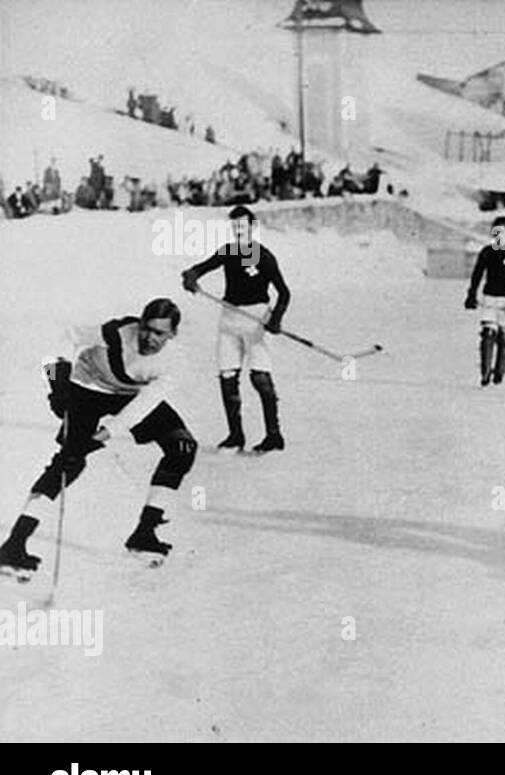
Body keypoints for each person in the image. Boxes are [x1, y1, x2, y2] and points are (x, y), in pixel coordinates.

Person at [0, 298, 197, 580]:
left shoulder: (174, 362)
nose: (149, 338)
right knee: (70, 463)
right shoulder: (115, 332)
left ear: (172, 334)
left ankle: (144, 533)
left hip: (128, 396)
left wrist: (108, 433)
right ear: (139, 324)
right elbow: (64, 339)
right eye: (146, 329)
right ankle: (13, 545)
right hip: (86, 388)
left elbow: (145, 404)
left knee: (182, 447)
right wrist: (57, 386)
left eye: (159, 333)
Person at [182, 206, 291, 453]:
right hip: (229, 319)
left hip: (256, 320)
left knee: (259, 377)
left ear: (252, 228)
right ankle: (235, 435)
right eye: (235, 227)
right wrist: (190, 276)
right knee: (227, 378)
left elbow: (284, 293)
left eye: (243, 226)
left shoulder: (263, 256)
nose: (239, 231)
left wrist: (276, 318)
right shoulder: (229, 251)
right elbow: (201, 267)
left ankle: (274, 436)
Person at [464, 223, 505, 386]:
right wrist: (471, 294)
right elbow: (477, 274)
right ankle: (485, 372)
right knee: (488, 333)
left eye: (501, 233)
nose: (497, 236)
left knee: (503, 336)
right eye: (494, 233)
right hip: (489, 298)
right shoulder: (487, 252)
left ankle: (500, 370)